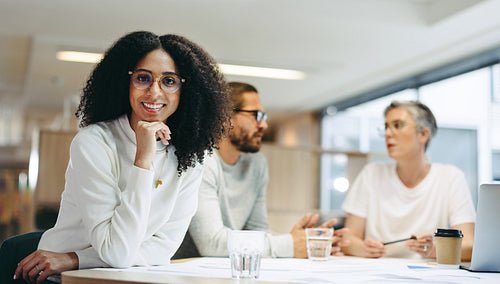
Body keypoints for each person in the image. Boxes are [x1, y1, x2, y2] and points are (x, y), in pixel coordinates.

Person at [0, 31, 230, 284]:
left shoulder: (191, 157)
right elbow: (116, 253)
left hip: (123, 275)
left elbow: (163, 249)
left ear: (185, 90)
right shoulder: (94, 142)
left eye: (169, 81)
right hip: (59, 278)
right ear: (125, 82)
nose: (155, 92)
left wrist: (77, 257)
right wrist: (143, 161)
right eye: (143, 78)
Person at [173, 82, 348, 259]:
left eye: (264, 116)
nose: (264, 124)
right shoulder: (200, 160)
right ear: (224, 116)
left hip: (225, 270)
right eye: (256, 115)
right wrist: (290, 245)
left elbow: (258, 231)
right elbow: (212, 244)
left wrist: (306, 242)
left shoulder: (256, 163)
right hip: (181, 271)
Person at [341, 100, 476, 260]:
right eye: (386, 127)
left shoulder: (450, 177)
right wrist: (364, 249)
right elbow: (348, 240)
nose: (387, 134)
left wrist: (433, 249)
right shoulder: (371, 173)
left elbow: (470, 245)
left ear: (423, 134)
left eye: (397, 125)